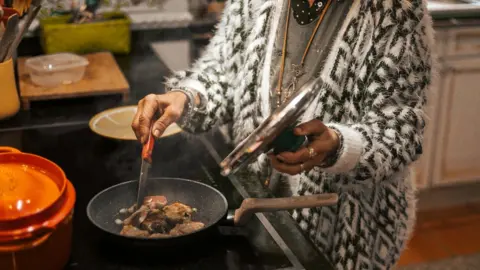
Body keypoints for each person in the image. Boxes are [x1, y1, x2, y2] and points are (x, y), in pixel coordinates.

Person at [132, 0, 434, 268]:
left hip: (343, 234)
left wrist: (339, 147)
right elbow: (223, 72)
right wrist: (187, 98)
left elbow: (401, 129)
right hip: (256, 208)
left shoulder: (396, 10)